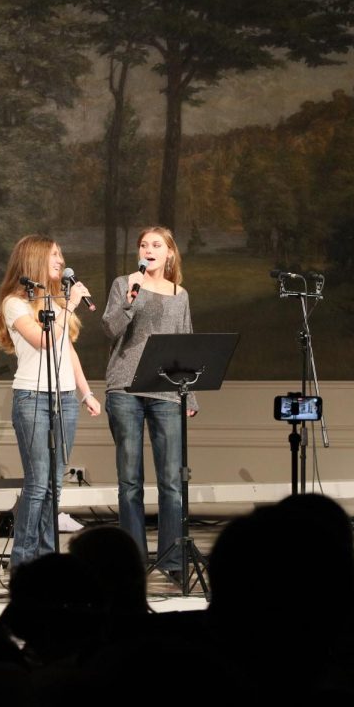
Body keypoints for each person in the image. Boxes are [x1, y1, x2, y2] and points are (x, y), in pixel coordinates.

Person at [0, 234, 101, 569]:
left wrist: (86, 393)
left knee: (55, 484)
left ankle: (46, 558)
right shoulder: (16, 303)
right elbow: (42, 341)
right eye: (54, 255)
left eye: (60, 254)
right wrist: (68, 305)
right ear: (35, 259)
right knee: (38, 483)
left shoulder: (55, 302)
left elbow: (67, 352)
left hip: (65, 398)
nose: (60, 260)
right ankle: (23, 561)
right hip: (32, 398)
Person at [102, 226, 196, 579]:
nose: (149, 249)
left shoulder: (179, 294)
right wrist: (129, 300)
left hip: (167, 391)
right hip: (125, 387)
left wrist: (191, 394)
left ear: (170, 253)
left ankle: (172, 560)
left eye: (157, 245)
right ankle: (133, 562)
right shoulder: (124, 283)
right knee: (130, 480)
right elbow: (109, 330)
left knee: (172, 481)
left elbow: (186, 342)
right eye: (144, 244)